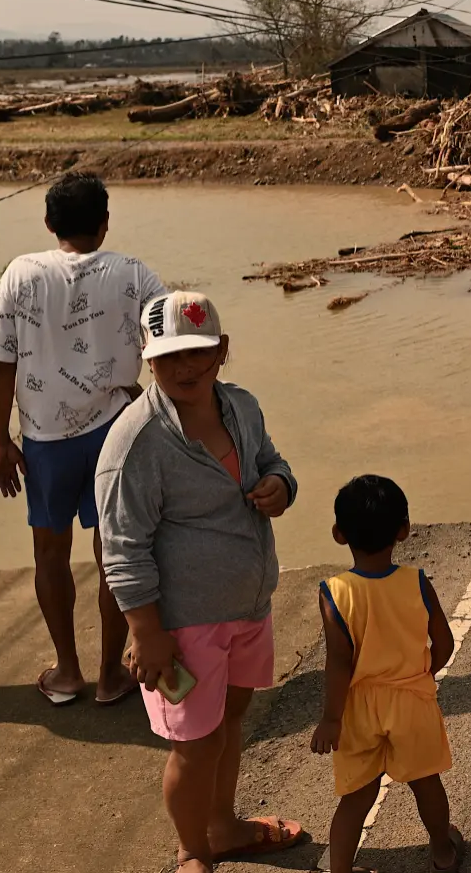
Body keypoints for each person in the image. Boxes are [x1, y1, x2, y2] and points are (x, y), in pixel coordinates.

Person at [96, 291, 304, 873]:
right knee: (195, 745)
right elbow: (122, 547)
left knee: (230, 724)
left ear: (222, 350)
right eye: (168, 358)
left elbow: (273, 462)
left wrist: (281, 487)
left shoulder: (242, 408)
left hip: (249, 605)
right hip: (183, 626)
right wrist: (146, 632)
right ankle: (193, 852)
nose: (184, 368)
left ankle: (225, 827)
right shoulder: (135, 443)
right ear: (147, 359)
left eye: (198, 352)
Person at [0, 172, 164, 707]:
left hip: (44, 440)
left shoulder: (21, 272)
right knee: (114, 553)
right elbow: (172, 330)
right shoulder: (131, 272)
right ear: (104, 224)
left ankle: (66, 671)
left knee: (49, 552)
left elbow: (0, 365)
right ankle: (110, 675)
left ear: (48, 223)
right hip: (117, 432)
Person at [313, 476, 463, 873]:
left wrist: (331, 719)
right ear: (404, 529)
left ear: (338, 534)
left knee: (357, 795)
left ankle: (341, 869)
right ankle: (443, 854)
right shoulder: (416, 581)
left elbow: (339, 663)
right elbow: (443, 643)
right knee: (425, 782)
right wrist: (421, 673)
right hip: (411, 699)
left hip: (359, 708)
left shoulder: (335, 592)